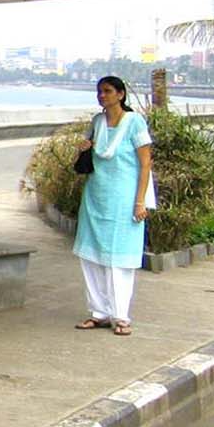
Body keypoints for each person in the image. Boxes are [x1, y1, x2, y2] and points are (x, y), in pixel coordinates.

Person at [73, 76, 154, 336]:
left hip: (124, 198)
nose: (102, 96)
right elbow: (86, 160)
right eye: (99, 91)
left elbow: (145, 164)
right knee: (91, 256)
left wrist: (140, 200)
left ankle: (121, 316)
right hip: (96, 196)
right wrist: (84, 149)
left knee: (119, 259)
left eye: (107, 91)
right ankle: (98, 313)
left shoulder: (134, 122)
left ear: (120, 94)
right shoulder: (96, 122)